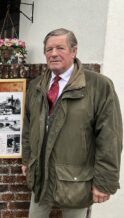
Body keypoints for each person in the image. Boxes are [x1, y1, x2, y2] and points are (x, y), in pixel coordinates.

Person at [21, 28, 122, 218]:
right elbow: (28, 127)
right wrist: (27, 159)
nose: (53, 53)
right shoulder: (36, 86)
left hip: (77, 181)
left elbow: (110, 138)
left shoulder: (99, 86)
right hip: (41, 178)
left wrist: (104, 182)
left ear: (74, 51)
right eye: (49, 49)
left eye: (60, 48)